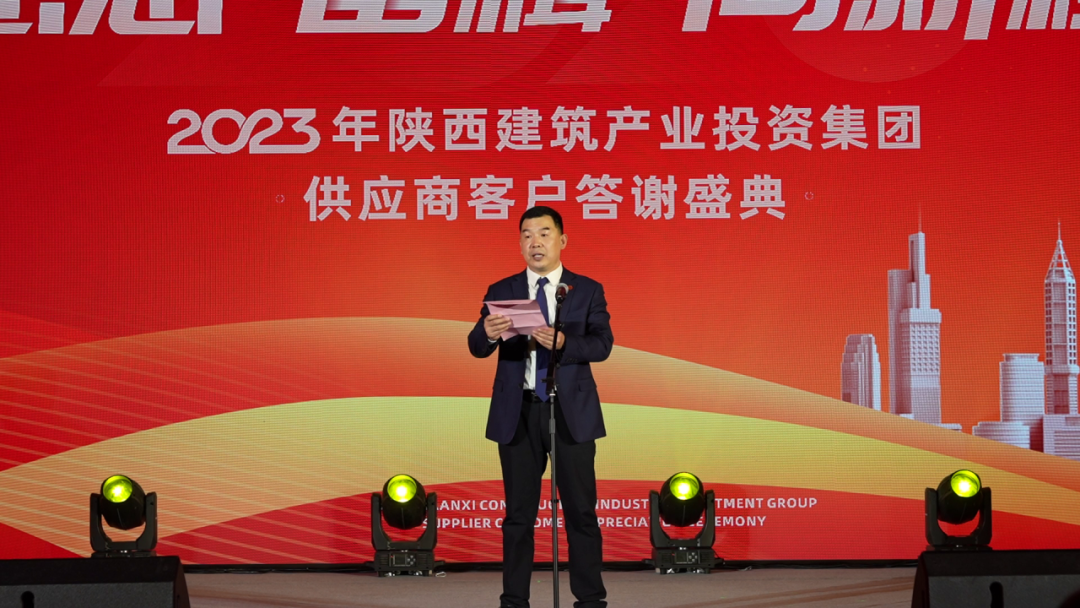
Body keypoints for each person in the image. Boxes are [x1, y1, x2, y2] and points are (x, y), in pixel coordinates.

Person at [468, 206, 613, 608]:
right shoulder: (503, 289)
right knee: (518, 516)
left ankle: (590, 601)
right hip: (519, 412)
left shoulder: (585, 290)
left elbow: (602, 344)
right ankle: (514, 601)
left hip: (570, 413)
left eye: (545, 234)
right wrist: (487, 333)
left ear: (561, 240)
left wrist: (565, 343)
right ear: (520, 244)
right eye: (528, 235)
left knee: (581, 512)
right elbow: (476, 346)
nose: (536, 242)